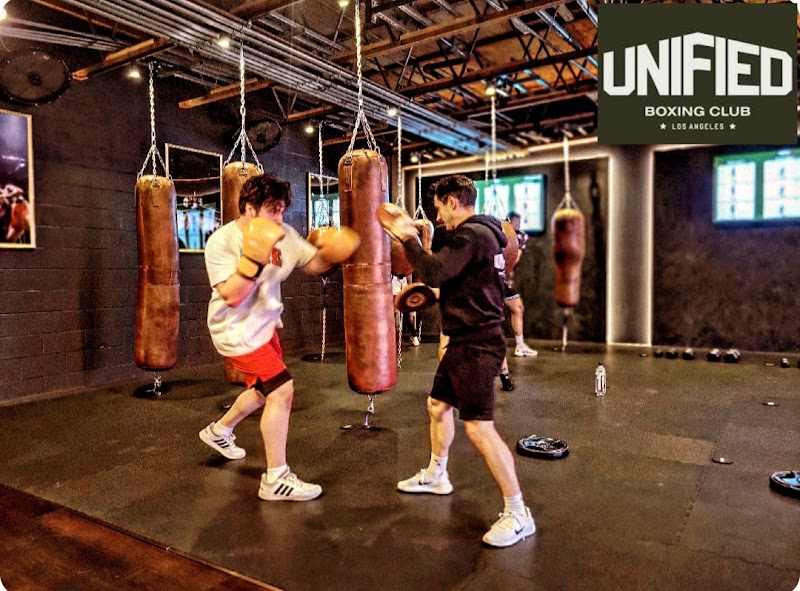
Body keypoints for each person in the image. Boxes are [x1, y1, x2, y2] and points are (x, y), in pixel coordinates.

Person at [381, 174, 535, 548]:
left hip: (477, 345)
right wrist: (435, 294)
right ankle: (437, 474)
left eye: (439, 208)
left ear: (452, 201)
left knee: (479, 428)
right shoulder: (485, 235)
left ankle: (519, 513)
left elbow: (434, 271)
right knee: (438, 406)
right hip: (464, 340)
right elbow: (460, 281)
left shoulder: (471, 235)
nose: (438, 216)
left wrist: (408, 238)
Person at [199, 173, 358, 502]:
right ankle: (276, 478)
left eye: (283, 209)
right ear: (249, 208)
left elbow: (313, 263)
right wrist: (254, 258)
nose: (280, 217)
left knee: (263, 391)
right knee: (282, 391)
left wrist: (334, 252)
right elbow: (232, 296)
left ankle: (219, 430)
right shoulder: (222, 240)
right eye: (273, 209)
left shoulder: (284, 234)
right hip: (235, 329)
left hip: (264, 326)